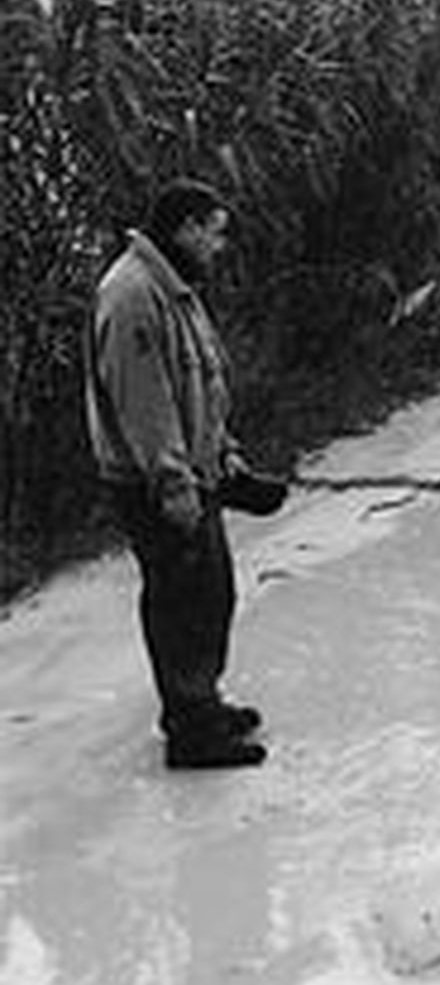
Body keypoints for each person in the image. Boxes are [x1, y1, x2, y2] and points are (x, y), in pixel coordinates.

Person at [85, 178, 277, 769]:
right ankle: (191, 732)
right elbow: (146, 404)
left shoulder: (175, 290)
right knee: (180, 601)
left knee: (210, 592)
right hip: (156, 484)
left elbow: (201, 385)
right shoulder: (133, 297)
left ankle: (202, 703)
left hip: (193, 474)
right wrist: (174, 485)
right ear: (186, 228)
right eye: (215, 232)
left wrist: (226, 459)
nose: (220, 246)